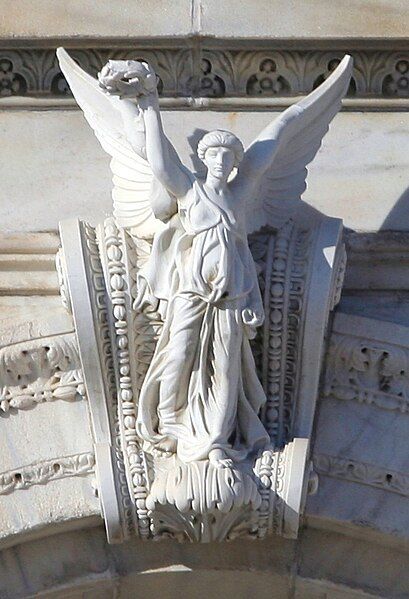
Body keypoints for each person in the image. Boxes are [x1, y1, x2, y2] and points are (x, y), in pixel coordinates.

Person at [117, 88, 270, 468]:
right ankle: (170, 419)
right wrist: (150, 108)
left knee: (226, 364)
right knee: (180, 352)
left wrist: (252, 299)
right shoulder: (192, 191)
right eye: (214, 154)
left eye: (228, 155)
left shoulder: (236, 198)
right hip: (191, 291)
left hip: (231, 297)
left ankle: (216, 438)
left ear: (236, 162)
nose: (221, 160)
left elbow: (243, 256)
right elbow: (160, 163)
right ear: (204, 159)